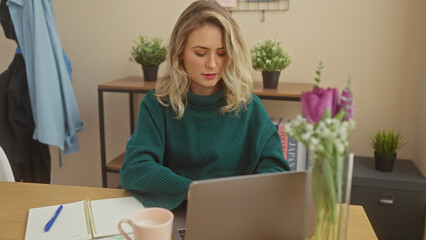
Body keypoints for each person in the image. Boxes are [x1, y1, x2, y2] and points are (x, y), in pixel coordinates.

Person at [120, 0, 290, 210]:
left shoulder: (249, 106)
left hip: (234, 213)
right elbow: (135, 168)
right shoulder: (157, 104)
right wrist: (195, 191)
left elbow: (276, 171)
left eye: (221, 53)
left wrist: (237, 197)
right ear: (180, 52)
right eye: (200, 53)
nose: (212, 64)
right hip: (176, 215)